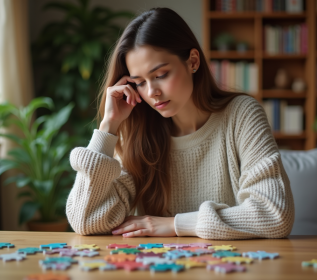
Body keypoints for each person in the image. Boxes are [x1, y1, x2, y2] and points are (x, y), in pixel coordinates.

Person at [66, 7, 295, 240]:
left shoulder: (241, 115)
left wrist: (176, 224)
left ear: (193, 61)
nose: (152, 92)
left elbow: (274, 216)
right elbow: (86, 221)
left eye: (160, 75)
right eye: (139, 82)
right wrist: (108, 127)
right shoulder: (137, 131)